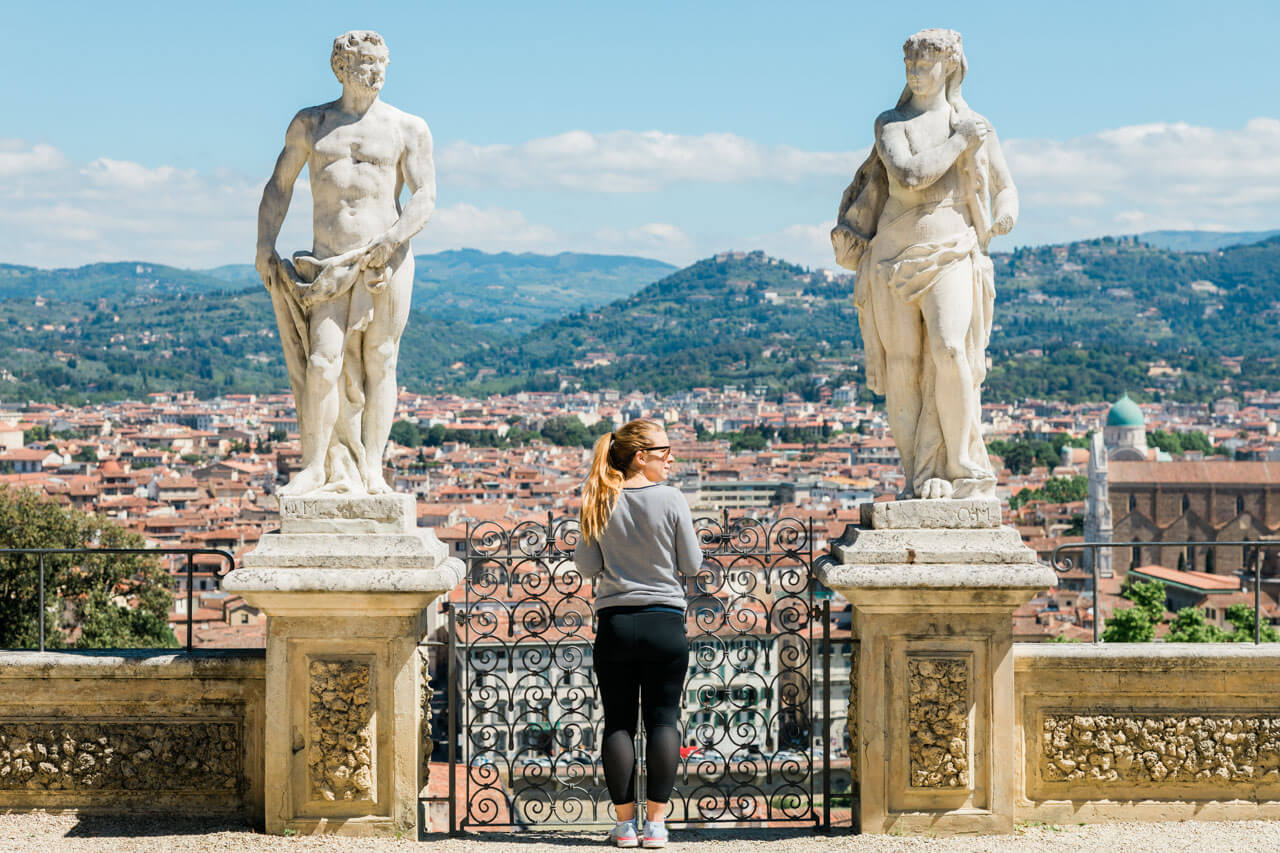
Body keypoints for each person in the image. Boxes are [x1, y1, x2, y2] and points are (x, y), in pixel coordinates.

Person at [831, 28, 1017, 500]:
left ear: (950, 66)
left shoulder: (978, 125)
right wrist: (959, 143)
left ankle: (960, 466)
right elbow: (909, 175)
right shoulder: (892, 124)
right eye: (909, 64)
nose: (915, 72)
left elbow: (1004, 185)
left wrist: (1008, 210)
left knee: (951, 349)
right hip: (892, 254)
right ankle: (919, 475)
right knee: (903, 364)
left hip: (952, 248)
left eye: (925, 64)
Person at [255, 30, 436, 496]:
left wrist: (393, 237)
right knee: (321, 362)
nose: (374, 73)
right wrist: (264, 244)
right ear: (341, 68)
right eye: (363, 64)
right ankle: (317, 466)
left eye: (380, 63)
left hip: (387, 258)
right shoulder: (311, 124)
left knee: (381, 358)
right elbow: (280, 185)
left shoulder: (407, 127)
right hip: (327, 264)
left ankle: (371, 467)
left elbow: (425, 196)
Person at [573, 419, 702, 849]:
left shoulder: (598, 497)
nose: (672, 457)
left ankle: (626, 826)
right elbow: (692, 564)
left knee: (619, 723)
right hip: (664, 621)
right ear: (640, 456)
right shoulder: (672, 499)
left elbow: (587, 567)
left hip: (615, 623)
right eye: (666, 450)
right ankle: (657, 826)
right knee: (664, 719)